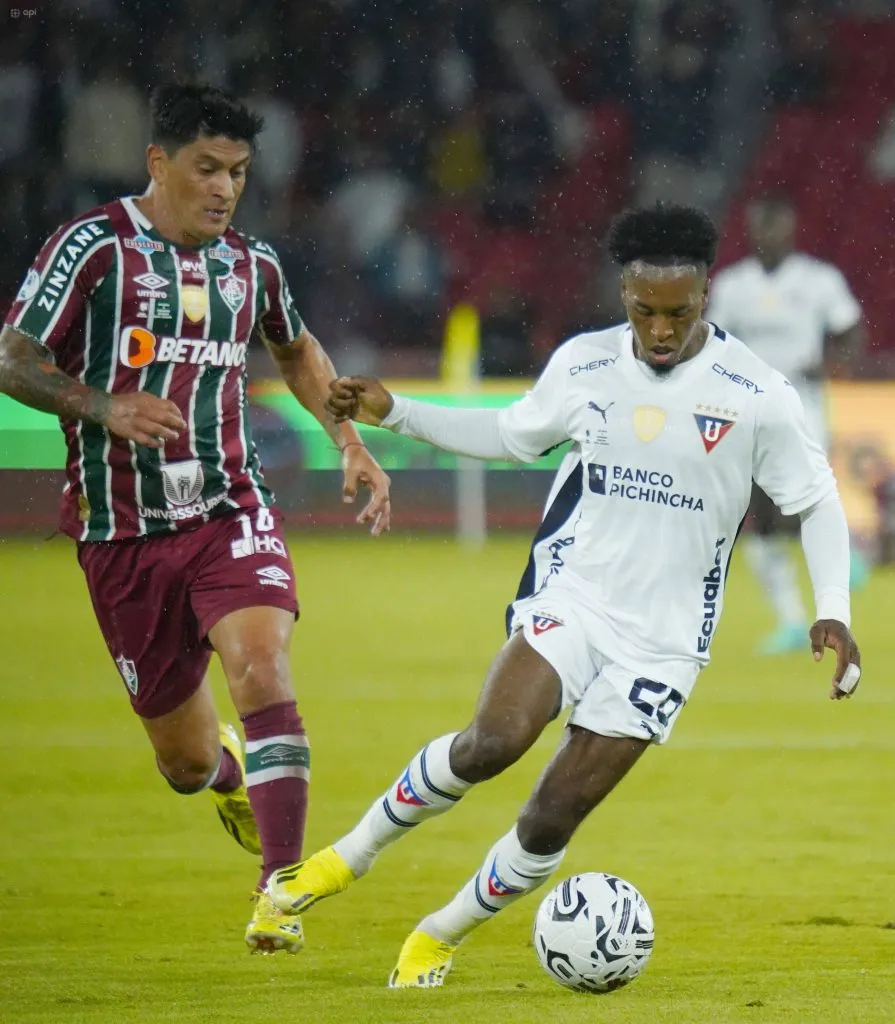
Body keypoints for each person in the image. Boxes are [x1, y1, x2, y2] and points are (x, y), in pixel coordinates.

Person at [264, 203, 863, 987]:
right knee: (494, 740)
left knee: (551, 815)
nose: (657, 329)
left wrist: (833, 610)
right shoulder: (583, 364)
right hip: (572, 596)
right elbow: (512, 436)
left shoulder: (755, 393)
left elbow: (816, 501)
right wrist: (394, 411)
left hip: (666, 642)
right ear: (621, 293)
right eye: (643, 310)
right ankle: (343, 860)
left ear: (705, 297)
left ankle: (438, 934)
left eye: (676, 313)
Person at [0, 83, 391, 955]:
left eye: (239, 173)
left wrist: (346, 438)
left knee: (260, 665)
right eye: (206, 169)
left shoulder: (251, 264)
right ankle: (224, 774)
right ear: (158, 163)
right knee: (181, 765)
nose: (223, 189)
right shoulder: (92, 249)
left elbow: (295, 347)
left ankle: (277, 892)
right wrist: (103, 406)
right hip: (121, 535)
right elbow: (13, 358)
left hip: (229, 507)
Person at [708, 194, 867, 655]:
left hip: (803, 408)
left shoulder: (818, 280)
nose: (769, 235)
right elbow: (712, 341)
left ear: (791, 230)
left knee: (799, 501)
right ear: (751, 230)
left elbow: (851, 330)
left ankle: (844, 554)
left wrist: (835, 363)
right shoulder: (733, 285)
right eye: (761, 226)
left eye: (776, 225)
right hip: (748, 413)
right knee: (760, 517)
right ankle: (794, 620)